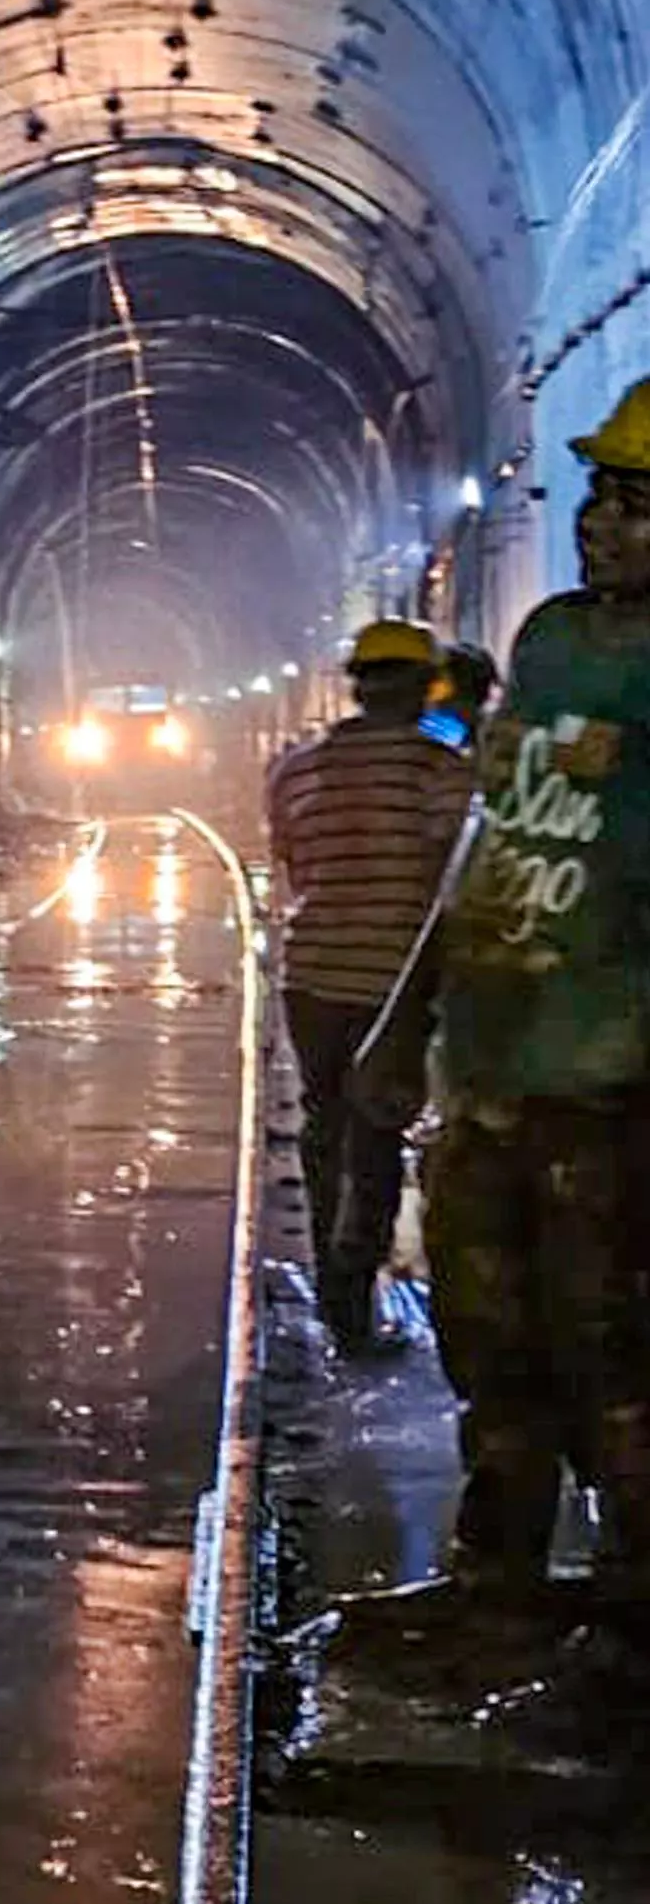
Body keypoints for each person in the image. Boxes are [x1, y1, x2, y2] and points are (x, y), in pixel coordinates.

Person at [424, 377, 650, 1595]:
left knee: (607, 1353)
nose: (600, 523)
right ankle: (495, 1587)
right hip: (498, 1060)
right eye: (600, 497)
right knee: (489, 1340)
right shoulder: (553, 639)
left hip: (608, 1084)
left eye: (635, 504)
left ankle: (625, 1618)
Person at [265, 619, 471, 1352]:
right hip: (395, 983)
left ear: (355, 685)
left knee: (324, 1129)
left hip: (311, 974)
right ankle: (352, 1311)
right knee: (377, 1136)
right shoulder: (442, 773)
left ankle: (331, 1275)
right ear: (424, 689)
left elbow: (292, 865)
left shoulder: (294, 770)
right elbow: (455, 883)